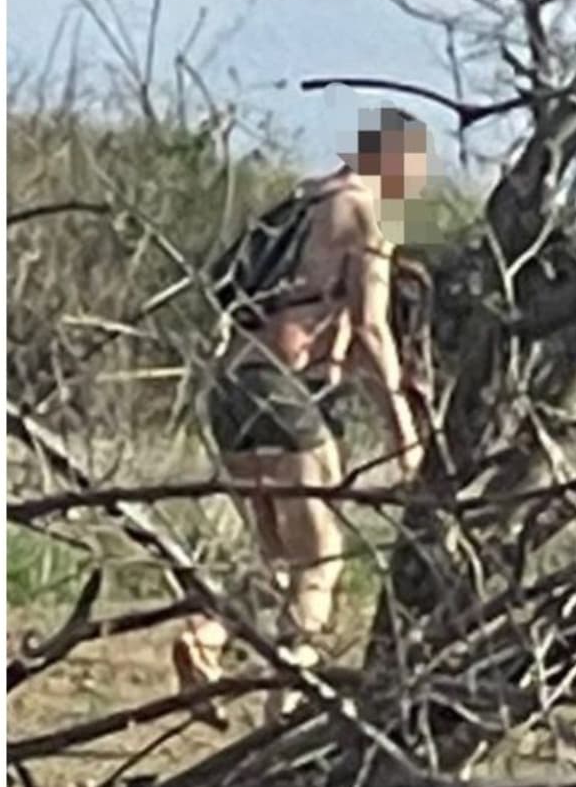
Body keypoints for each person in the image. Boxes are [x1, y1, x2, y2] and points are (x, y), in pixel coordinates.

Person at [172, 106, 432, 722]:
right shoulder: (364, 214)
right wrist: (406, 436)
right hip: (281, 387)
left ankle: (206, 638)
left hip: (231, 386)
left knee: (277, 555)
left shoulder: (298, 203)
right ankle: (287, 700)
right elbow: (371, 331)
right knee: (322, 557)